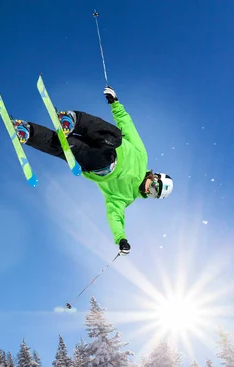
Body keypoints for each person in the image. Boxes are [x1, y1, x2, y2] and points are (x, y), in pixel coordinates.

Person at [12, 86, 174, 255]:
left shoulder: (125, 198)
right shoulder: (142, 156)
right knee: (116, 135)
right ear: (155, 176)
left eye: (154, 194)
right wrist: (115, 103)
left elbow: (115, 217)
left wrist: (121, 239)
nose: (150, 191)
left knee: (67, 147)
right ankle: (72, 120)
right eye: (155, 186)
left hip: (100, 165)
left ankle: (26, 132)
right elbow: (128, 126)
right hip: (111, 145)